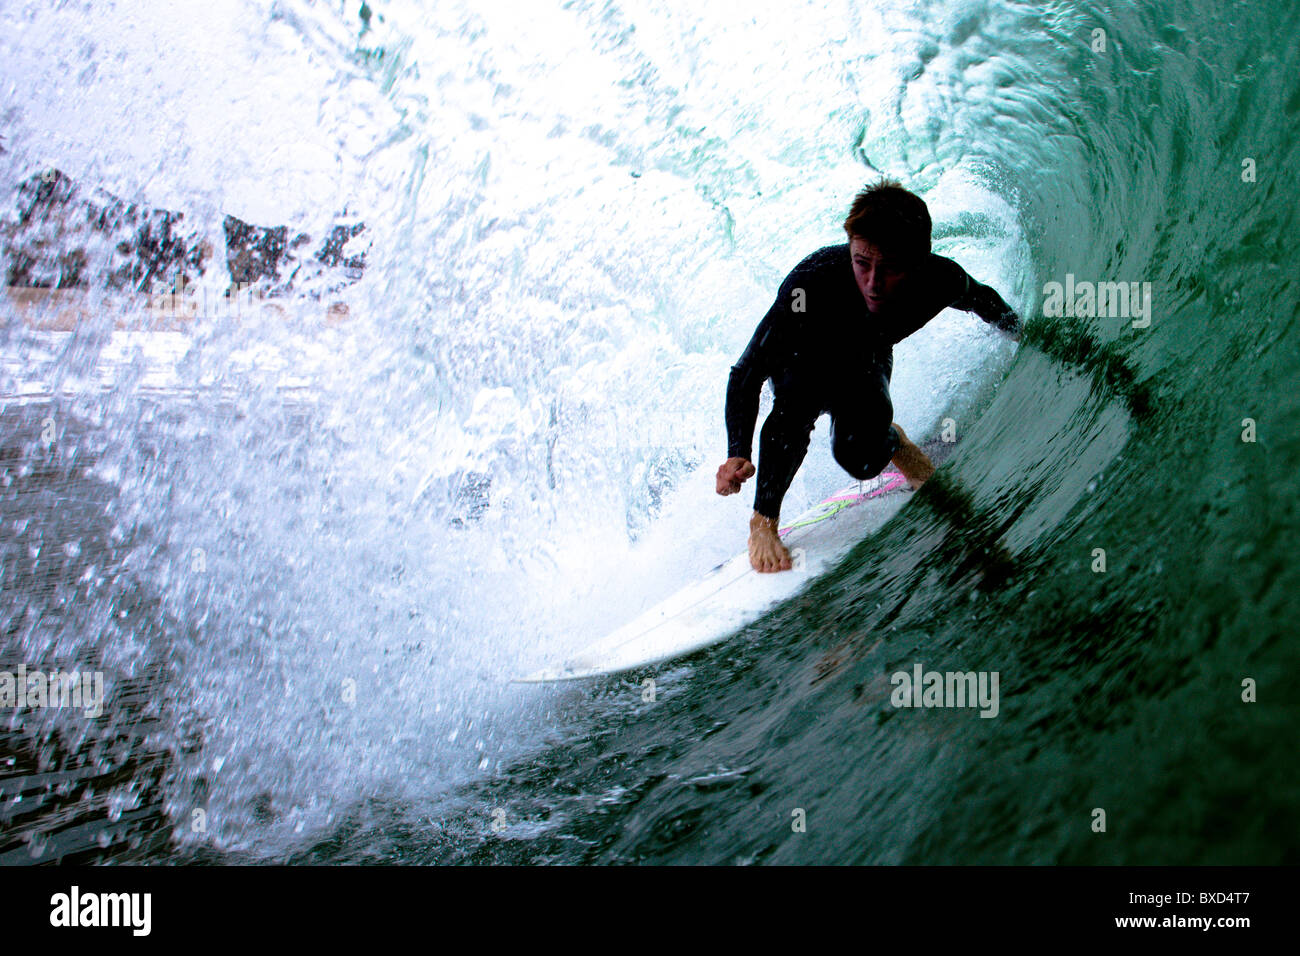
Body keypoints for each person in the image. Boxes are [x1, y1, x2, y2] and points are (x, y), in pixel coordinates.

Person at [716, 179, 1022, 573]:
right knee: (795, 405)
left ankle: (892, 441)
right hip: (801, 365)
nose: (873, 283)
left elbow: (984, 300)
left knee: (860, 460)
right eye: (862, 262)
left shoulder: (938, 280)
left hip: (865, 362)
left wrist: (1025, 334)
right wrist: (737, 451)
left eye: (890, 268)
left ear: (918, 260)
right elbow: (747, 371)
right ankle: (763, 522)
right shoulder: (810, 284)